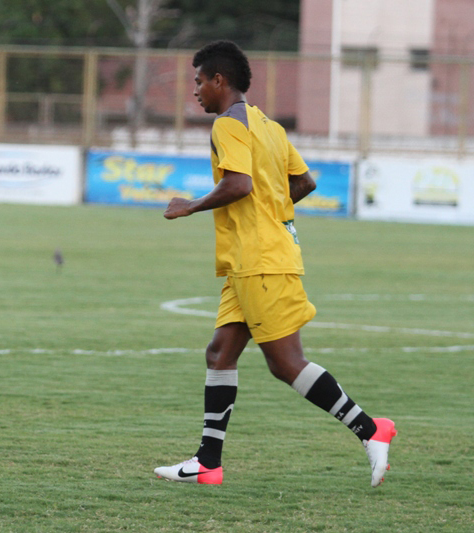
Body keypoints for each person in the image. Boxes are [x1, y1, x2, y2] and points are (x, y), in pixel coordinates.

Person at [155, 40, 396, 487]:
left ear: (219, 81)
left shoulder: (228, 125)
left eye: (199, 82)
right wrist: (271, 209)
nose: (196, 91)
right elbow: (303, 182)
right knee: (219, 353)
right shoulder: (269, 125)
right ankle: (208, 463)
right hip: (251, 261)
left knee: (286, 363)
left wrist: (190, 206)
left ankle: (371, 429)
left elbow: (240, 185)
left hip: (261, 261)